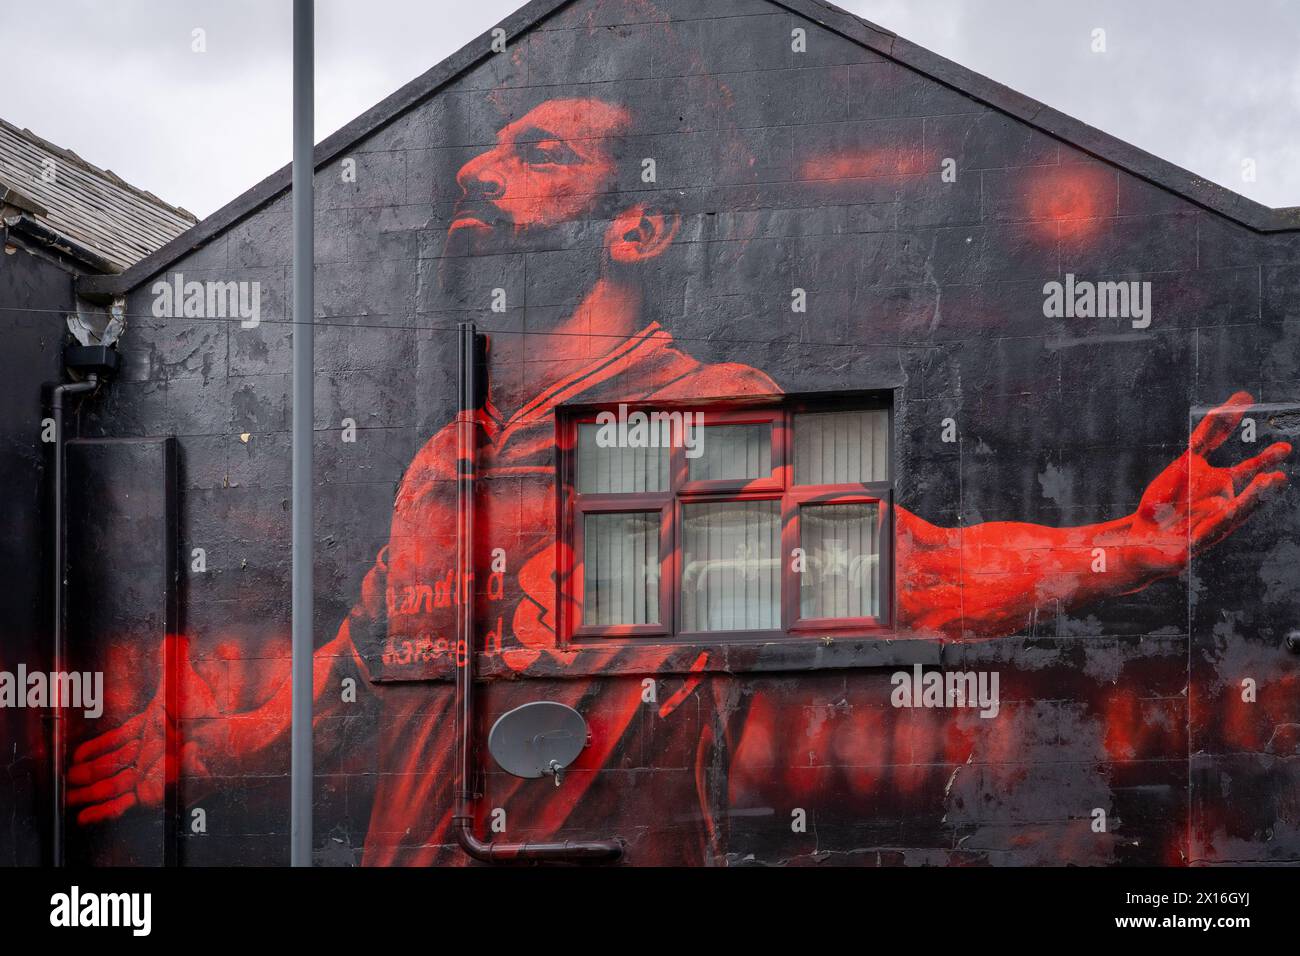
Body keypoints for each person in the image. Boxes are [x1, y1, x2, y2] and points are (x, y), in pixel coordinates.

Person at [67, 94, 1291, 864]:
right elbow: (354, 674)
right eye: (483, 148)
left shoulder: (696, 414)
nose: (474, 172)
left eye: (534, 154)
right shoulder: (446, 457)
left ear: (638, 230)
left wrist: (1129, 542)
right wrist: (208, 741)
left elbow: (913, 566)